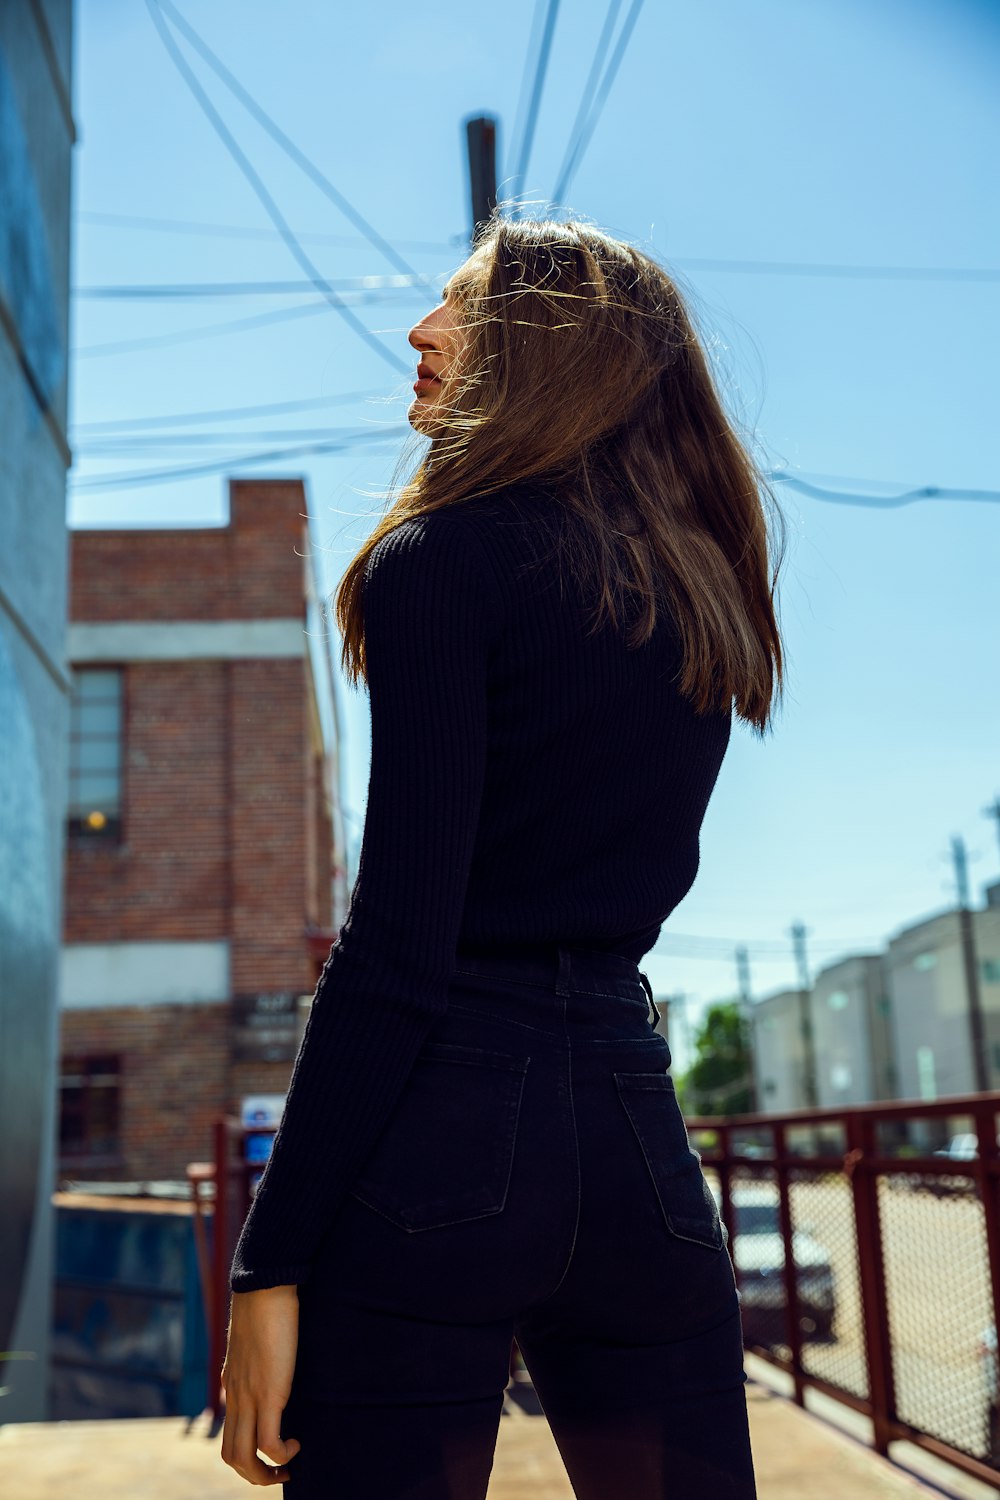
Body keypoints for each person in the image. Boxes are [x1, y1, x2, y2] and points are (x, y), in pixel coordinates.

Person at [219, 212, 787, 1498]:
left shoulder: (440, 564)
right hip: (640, 1142)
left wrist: (271, 1258)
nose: (419, 332)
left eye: (458, 309)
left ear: (551, 349)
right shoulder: (695, 590)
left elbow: (397, 949)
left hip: (445, 1144)